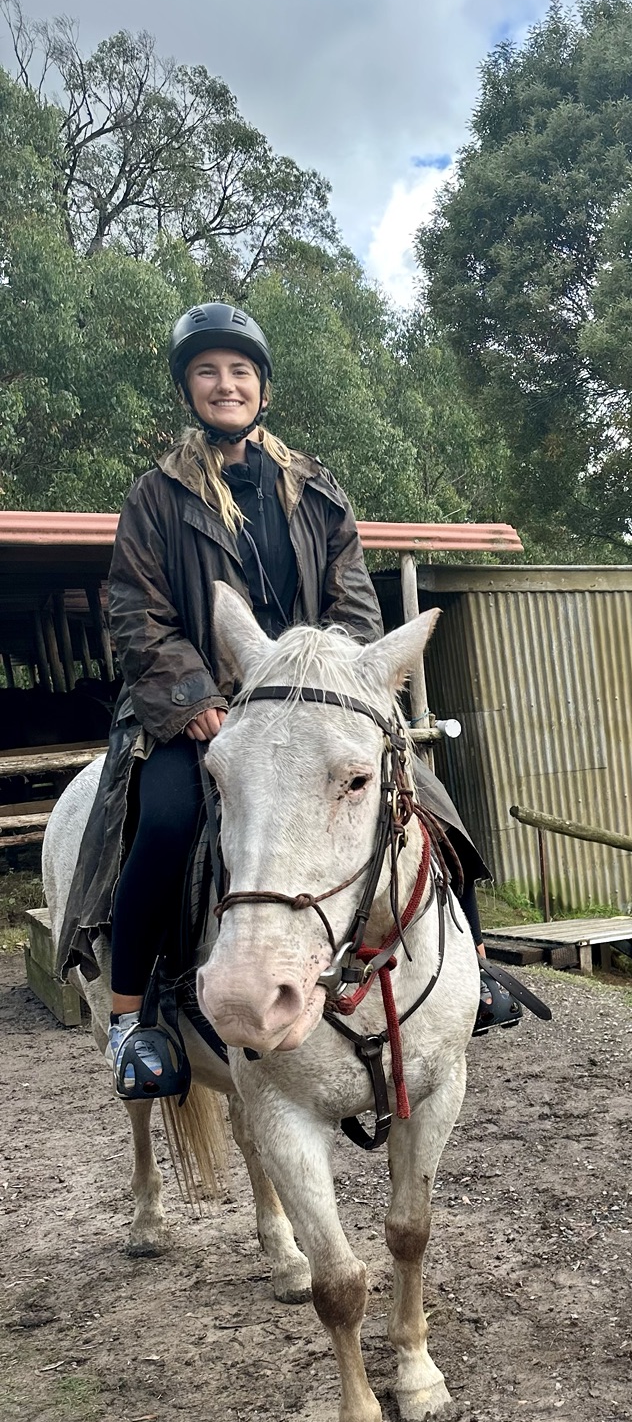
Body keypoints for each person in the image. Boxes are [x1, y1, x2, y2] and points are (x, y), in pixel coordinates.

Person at [60, 303, 518, 1100]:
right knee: (166, 823)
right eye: (207, 371)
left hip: (316, 705)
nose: (224, 384)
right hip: (197, 708)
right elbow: (135, 613)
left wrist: (334, 690)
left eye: (239, 371)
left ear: (263, 388)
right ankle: (136, 1018)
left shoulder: (318, 491)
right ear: (187, 390)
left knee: (434, 809)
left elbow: (353, 606)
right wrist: (194, 698)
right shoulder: (156, 498)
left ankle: (473, 972)